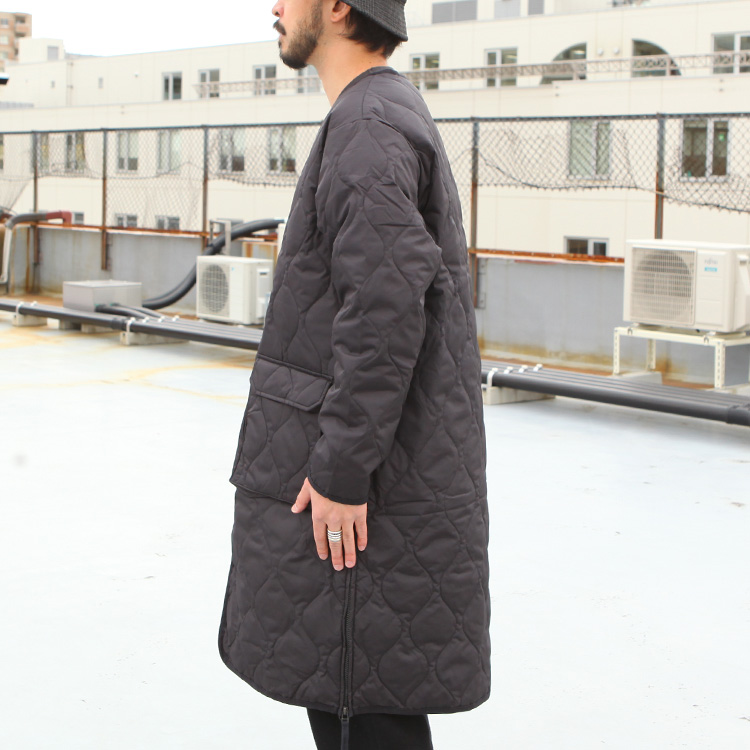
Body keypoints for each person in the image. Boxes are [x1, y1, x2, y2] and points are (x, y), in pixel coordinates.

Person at [218, 0, 491, 748]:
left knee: (360, 701)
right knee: (364, 694)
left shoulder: (368, 125)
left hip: (366, 488)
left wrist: (341, 469)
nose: (275, 7)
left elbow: (384, 307)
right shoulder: (377, 112)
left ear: (339, 7)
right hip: (389, 470)